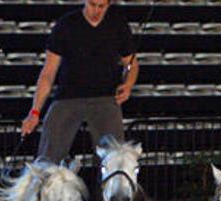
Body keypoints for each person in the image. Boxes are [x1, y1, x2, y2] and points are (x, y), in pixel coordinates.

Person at [20, 0, 138, 163]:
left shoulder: (117, 24)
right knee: (47, 158)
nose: (96, 10)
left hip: (105, 98)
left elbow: (132, 63)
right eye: (92, 4)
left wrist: (128, 84)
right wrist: (34, 112)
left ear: (108, 5)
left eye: (101, 6)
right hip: (67, 97)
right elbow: (48, 72)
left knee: (115, 160)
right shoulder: (66, 24)